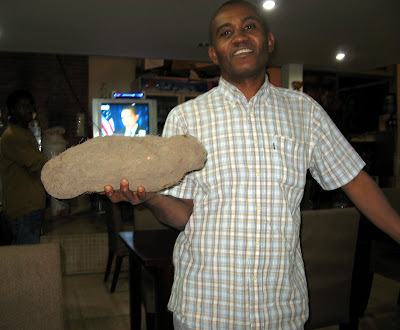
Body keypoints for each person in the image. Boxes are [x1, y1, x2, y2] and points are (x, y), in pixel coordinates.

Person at [104, 1, 400, 328]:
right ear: (214, 54)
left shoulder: (305, 113)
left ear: (269, 42)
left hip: (280, 310)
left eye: (249, 27)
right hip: (205, 309)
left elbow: (354, 180)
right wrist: (153, 198)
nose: (239, 37)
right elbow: (185, 214)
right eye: (226, 32)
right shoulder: (186, 118)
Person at [0, 89, 47, 245]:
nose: (28, 110)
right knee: (26, 260)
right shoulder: (13, 136)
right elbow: (36, 163)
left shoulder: (24, 132)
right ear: (12, 110)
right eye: (22, 106)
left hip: (31, 208)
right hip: (24, 210)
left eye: (30, 105)